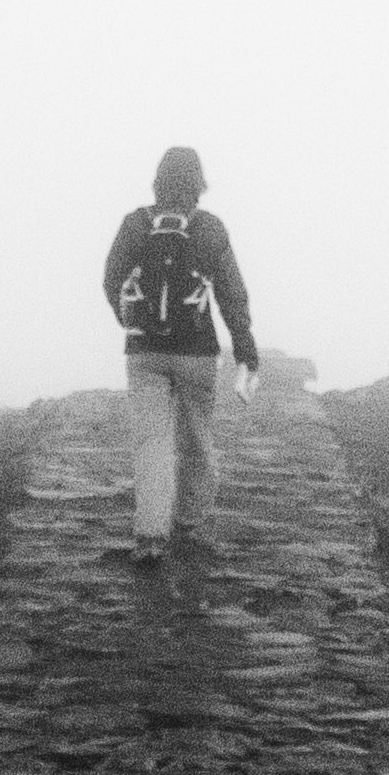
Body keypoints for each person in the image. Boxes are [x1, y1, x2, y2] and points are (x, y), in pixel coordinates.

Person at [99, 145, 258, 567]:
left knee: (151, 442)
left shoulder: (135, 224)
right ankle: (189, 523)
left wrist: (130, 320)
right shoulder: (210, 228)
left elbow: (111, 278)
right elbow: (231, 292)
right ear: (199, 184)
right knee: (196, 440)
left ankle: (151, 536)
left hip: (145, 353)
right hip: (197, 353)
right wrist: (244, 346)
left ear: (158, 181)